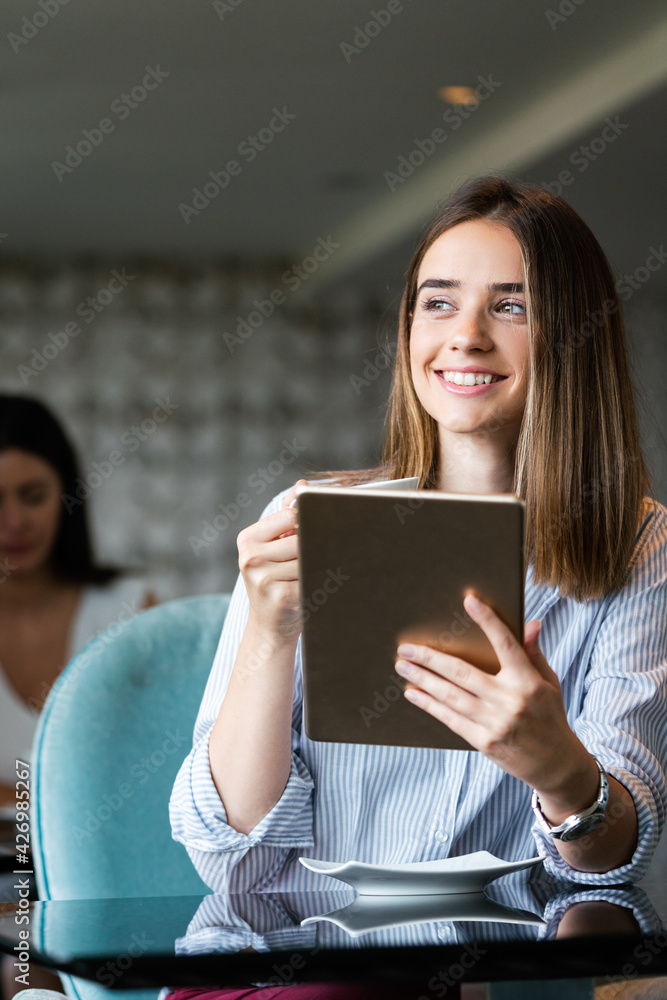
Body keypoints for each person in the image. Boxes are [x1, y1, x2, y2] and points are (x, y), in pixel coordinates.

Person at [170, 176, 667, 897]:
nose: (464, 335)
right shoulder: (311, 517)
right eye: (437, 303)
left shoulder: (640, 544)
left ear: (573, 334)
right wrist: (270, 636)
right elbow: (231, 861)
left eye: (510, 307)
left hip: (493, 964)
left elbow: (607, 865)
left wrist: (560, 770)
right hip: (301, 955)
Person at [0, 394, 155, 805]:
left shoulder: (131, 609)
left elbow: (163, 767)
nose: (14, 522)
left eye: (33, 495)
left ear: (66, 497)